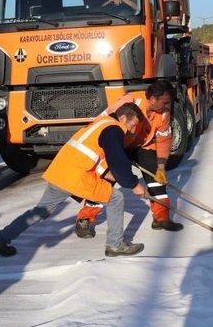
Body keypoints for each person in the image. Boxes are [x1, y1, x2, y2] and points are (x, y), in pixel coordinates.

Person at [0, 102, 148, 258]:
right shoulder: (114, 129)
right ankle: (115, 244)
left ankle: (0, 239)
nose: (132, 131)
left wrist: (107, 174)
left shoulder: (102, 123)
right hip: (76, 176)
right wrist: (133, 184)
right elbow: (117, 160)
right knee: (116, 198)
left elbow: (90, 154)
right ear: (124, 118)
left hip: (61, 172)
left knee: (40, 211)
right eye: (132, 125)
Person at [74, 80, 183, 239]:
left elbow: (163, 139)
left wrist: (161, 166)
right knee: (104, 183)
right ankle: (84, 219)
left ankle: (161, 218)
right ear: (152, 99)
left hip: (142, 146)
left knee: (156, 180)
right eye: (165, 102)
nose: (167, 106)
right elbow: (104, 126)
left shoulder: (164, 113)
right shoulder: (129, 103)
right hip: (117, 146)